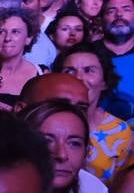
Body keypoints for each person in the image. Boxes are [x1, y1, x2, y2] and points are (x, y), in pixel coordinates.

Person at [57, 41, 133, 184]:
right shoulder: (41, 123)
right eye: (69, 71)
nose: (79, 77)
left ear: (104, 82)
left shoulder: (121, 132)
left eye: (89, 70)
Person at [0, 6, 44, 104]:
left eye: (15, 32)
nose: (7, 38)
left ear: (28, 38)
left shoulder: (41, 75)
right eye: (1, 32)